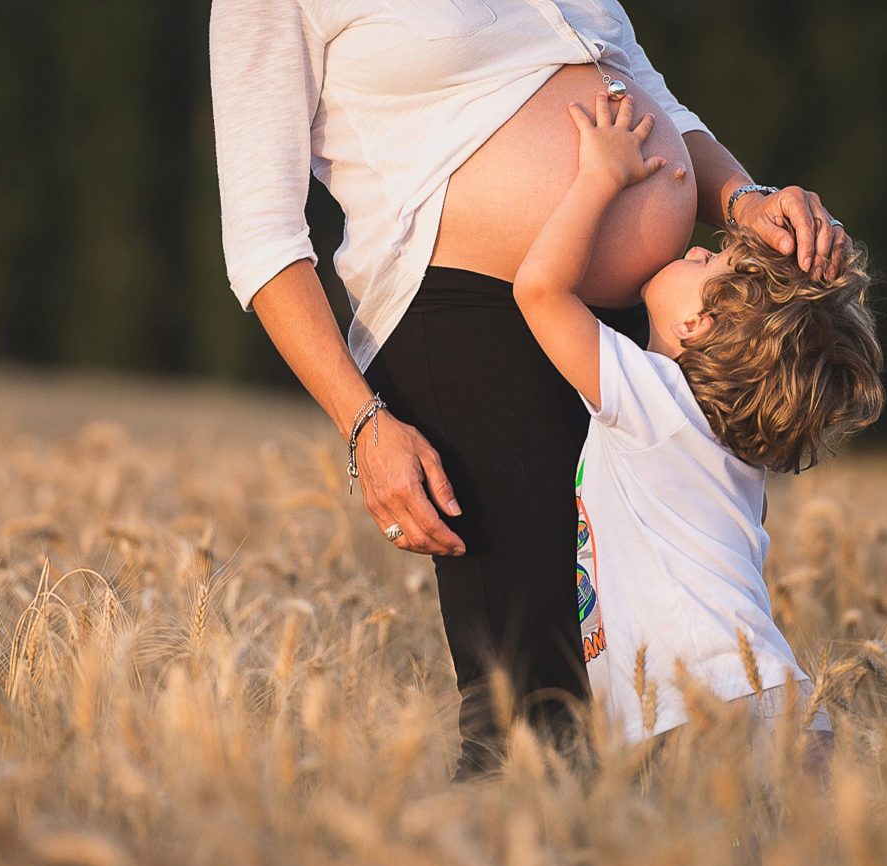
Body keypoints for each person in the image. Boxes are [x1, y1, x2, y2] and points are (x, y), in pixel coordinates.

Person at [210, 0, 852, 774]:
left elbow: (641, 90)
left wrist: (743, 202)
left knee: (646, 677)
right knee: (530, 715)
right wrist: (363, 421)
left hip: (630, 327)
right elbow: (262, 234)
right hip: (468, 315)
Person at [511, 92, 883, 746]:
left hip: (703, 710)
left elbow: (539, 291)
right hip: (768, 697)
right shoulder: (732, 444)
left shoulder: (650, 396)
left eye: (707, 264)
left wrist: (602, 177)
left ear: (695, 325)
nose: (694, 251)